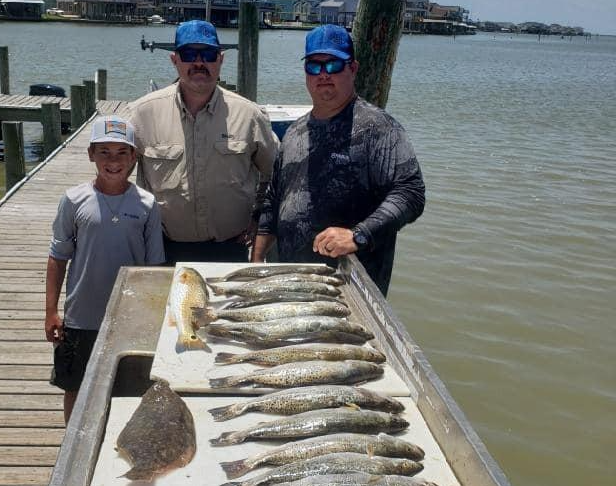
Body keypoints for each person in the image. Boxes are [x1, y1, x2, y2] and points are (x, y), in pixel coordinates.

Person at [252, 25, 425, 297]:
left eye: (333, 65)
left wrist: (358, 235)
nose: (323, 75)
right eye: (314, 66)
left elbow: (411, 193)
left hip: (347, 290)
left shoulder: (378, 128)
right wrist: (256, 260)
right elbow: (274, 199)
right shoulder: (295, 132)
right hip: (291, 281)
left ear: (353, 68)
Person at [123, 20, 278, 264]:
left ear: (221, 59)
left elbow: (277, 174)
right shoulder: (141, 114)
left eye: (207, 54)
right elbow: (114, 176)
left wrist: (259, 216)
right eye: (188, 54)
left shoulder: (250, 115)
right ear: (174, 60)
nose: (198, 63)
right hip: (161, 249)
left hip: (231, 249)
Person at [45, 116, 165, 423]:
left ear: (133, 157)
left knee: (131, 388)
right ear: (90, 154)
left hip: (131, 317)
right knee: (74, 387)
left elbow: (154, 268)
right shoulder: (73, 200)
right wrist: (51, 311)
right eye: (105, 153)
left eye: (121, 153)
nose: (113, 161)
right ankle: (71, 445)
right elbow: (58, 257)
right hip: (81, 316)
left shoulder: (148, 204)